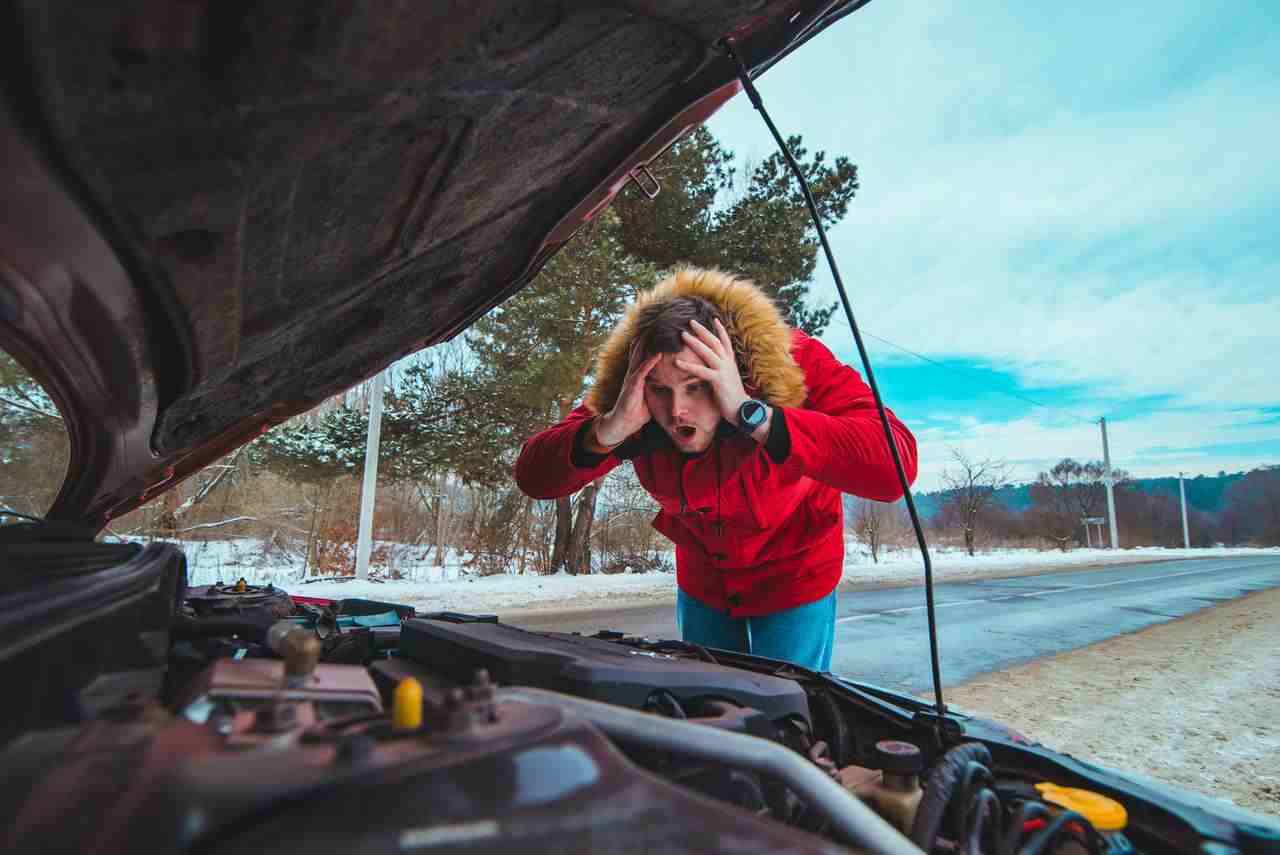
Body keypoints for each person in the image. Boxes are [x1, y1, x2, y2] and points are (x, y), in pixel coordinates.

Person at [514, 267, 917, 671]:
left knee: (788, 704)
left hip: (796, 573)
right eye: (661, 390)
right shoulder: (633, 386)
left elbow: (895, 466)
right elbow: (534, 476)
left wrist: (751, 414)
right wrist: (609, 429)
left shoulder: (791, 359)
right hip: (705, 581)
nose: (677, 412)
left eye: (697, 386)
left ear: (734, 372)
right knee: (708, 698)